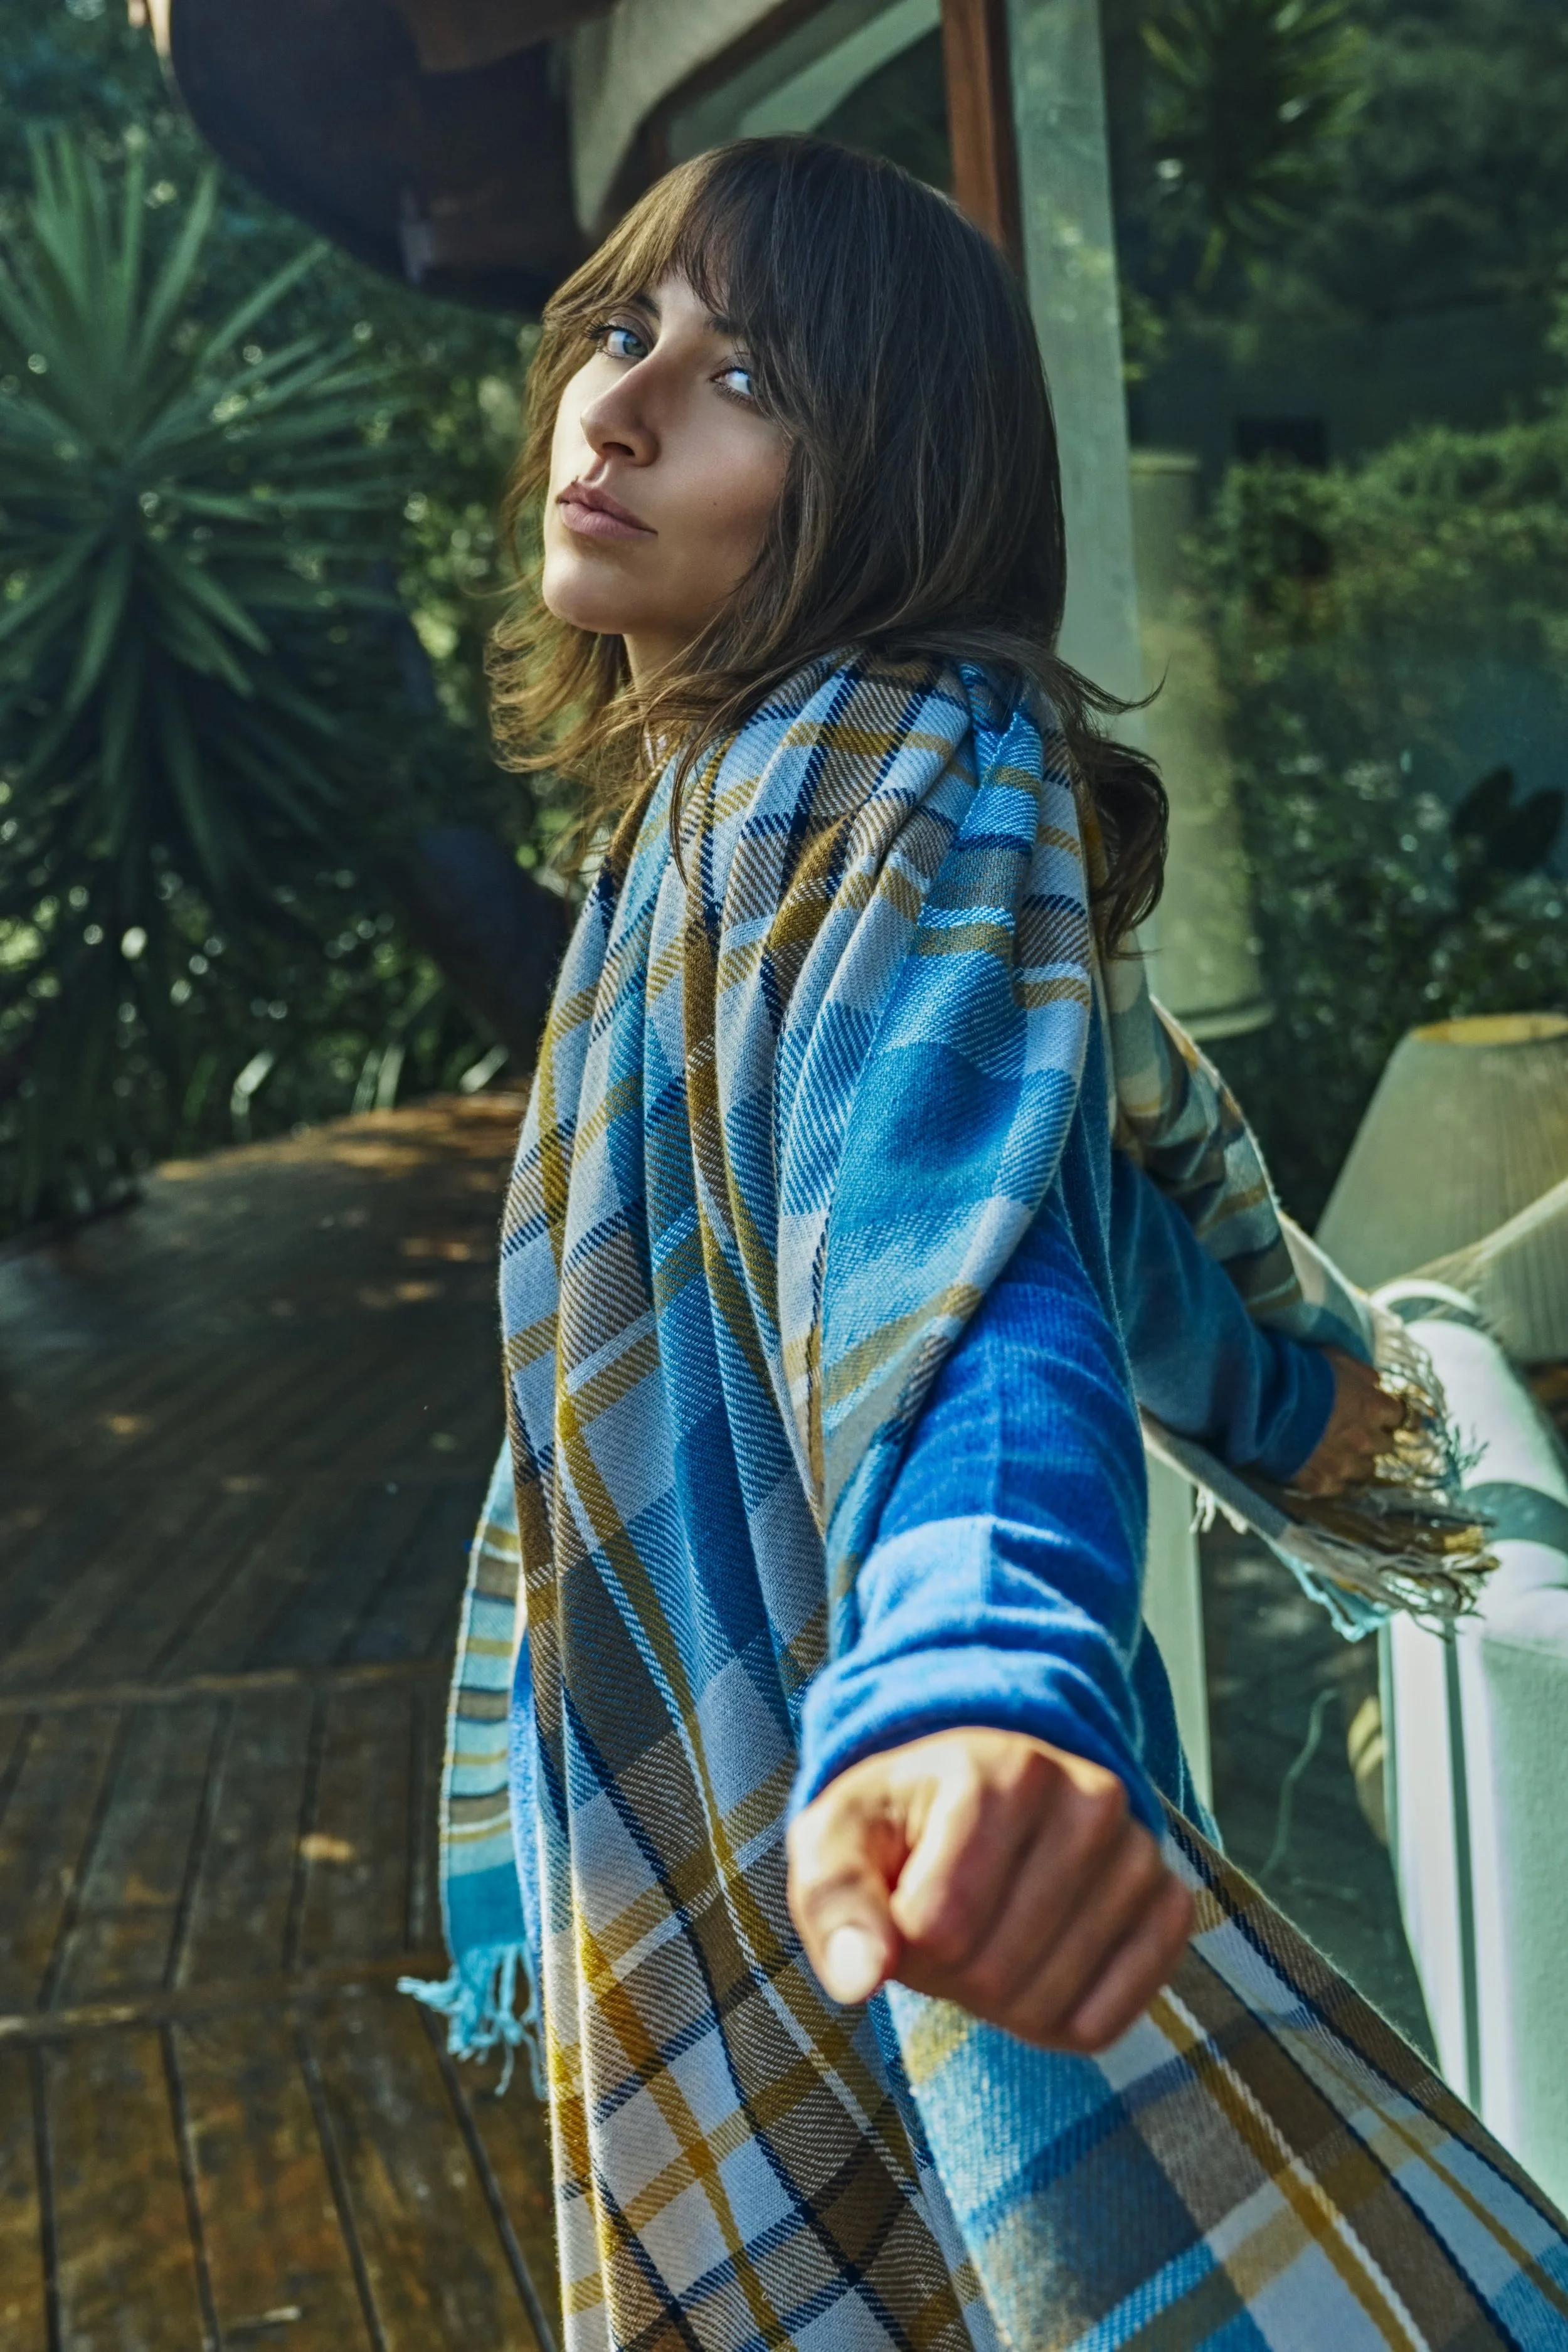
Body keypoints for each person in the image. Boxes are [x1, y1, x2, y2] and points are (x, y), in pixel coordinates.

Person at [411, 137, 1567, 2351]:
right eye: (622, 329)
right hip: (825, 1790)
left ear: (898, 487)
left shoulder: (884, 767)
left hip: (896, 1760)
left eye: (740, 374)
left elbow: (956, 1289)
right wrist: (1275, 1393)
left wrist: (973, 1667)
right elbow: (1068, 1196)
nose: (622, 406)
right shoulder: (699, 816)